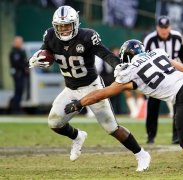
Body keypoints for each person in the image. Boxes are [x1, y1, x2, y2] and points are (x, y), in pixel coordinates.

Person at [64, 39, 183, 172]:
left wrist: (79, 103)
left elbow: (103, 93)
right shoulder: (157, 54)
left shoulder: (129, 70)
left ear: (126, 57)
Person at [28, 6, 150, 172]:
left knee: (111, 128)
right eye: (60, 26)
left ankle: (141, 154)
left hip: (92, 87)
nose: (63, 29)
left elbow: (105, 54)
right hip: (70, 89)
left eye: (67, 25)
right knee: (54, 122)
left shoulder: (87, 36)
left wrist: (118, 66)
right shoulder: (50, 35)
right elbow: (46, 53)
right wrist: (38, 59)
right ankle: (78, 136)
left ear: (75, 23)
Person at [143, 15, 183, 144]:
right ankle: (151, 136)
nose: (164, 30)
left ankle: (176, 136)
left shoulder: (177, 37)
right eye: (161, 27)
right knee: (152, 106)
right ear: (157, 27)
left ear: (170, 27)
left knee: (177, 106)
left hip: (173, 76)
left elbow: (182, 57)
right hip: (155, 77)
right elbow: (144, 60)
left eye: (166, 27)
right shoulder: (149, 40)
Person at [9, 36, 28, 114]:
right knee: (18, 91)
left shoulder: (19, 51)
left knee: (19, 92)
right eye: (20, 42)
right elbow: (17, 63)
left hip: (20, 74)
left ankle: (16, 108)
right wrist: (25, 66)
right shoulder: (15, 52)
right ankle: (15, 110)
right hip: (18, 74)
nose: (21, 43)